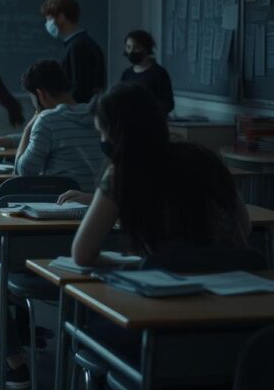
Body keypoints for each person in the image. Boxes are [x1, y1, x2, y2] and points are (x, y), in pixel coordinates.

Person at [64, 83, 250, 266]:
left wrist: (139, 264)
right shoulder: (205, 159)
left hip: (169, 285)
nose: (103, 141)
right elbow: (244, 225)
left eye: (102, 133)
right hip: (231, 279)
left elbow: (82, 255)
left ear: (116, 132)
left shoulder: (122, 175)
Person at [0, 60, 106, 192]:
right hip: (97, 201)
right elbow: (59, 137)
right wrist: (12, 140)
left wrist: (30, 124)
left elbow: (23, 172)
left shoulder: (47, 120)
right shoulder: (96, 113)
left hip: (61, 203)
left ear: (41, 94)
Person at [41, 0, 105, 104]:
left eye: (49, 19)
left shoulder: (78, 47)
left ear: (61, 17)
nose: (47, 24)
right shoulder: (80, 43)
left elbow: (80, 90)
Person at [119, 30, 174, 115]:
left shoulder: (159, 73)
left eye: (136, 47)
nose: (131, 51)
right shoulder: (126, 74)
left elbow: (168, 104)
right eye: (128, 47)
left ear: (146, 49)